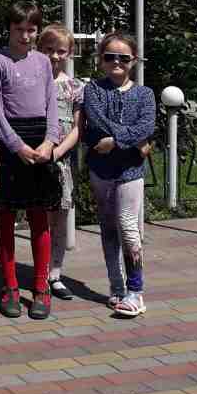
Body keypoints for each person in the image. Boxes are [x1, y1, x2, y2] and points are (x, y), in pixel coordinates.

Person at [0, 2, 61, 321]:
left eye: (31, 30)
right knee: (5, 215)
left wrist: (50, 141)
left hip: (40, 142)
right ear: (9, 29)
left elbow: (52, 105)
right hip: (11, 145)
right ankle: (11, 286)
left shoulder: (43, 61)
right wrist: (16, 146)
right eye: (19, 29)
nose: (25, 36)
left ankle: (41, 286)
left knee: (39, 215)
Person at [82, 32, 156, 318]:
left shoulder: (144, 94)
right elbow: (96, 120)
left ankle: (136, 291)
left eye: (123, 58)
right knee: (108, 228)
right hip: (101, 170)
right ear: (101, 60)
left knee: (127, 226)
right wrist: (134, 140)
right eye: (110, 56)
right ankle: (117, 287)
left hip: (130, 171)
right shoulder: (93, 90)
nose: (116, 62)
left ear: (133, 61)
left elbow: (146, 126)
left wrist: (114, 141)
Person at [37, 24, 84, 300]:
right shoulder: (34, 82)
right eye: (49, 50)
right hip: (39, 154)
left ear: (70, 53)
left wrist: (58, 151)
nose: (55, 56)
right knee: (41, 217)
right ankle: (40, 270)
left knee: (61, 217)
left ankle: (55, 273)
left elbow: (78, 128)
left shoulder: (75, 86)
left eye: (61, 51)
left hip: (62, 159)